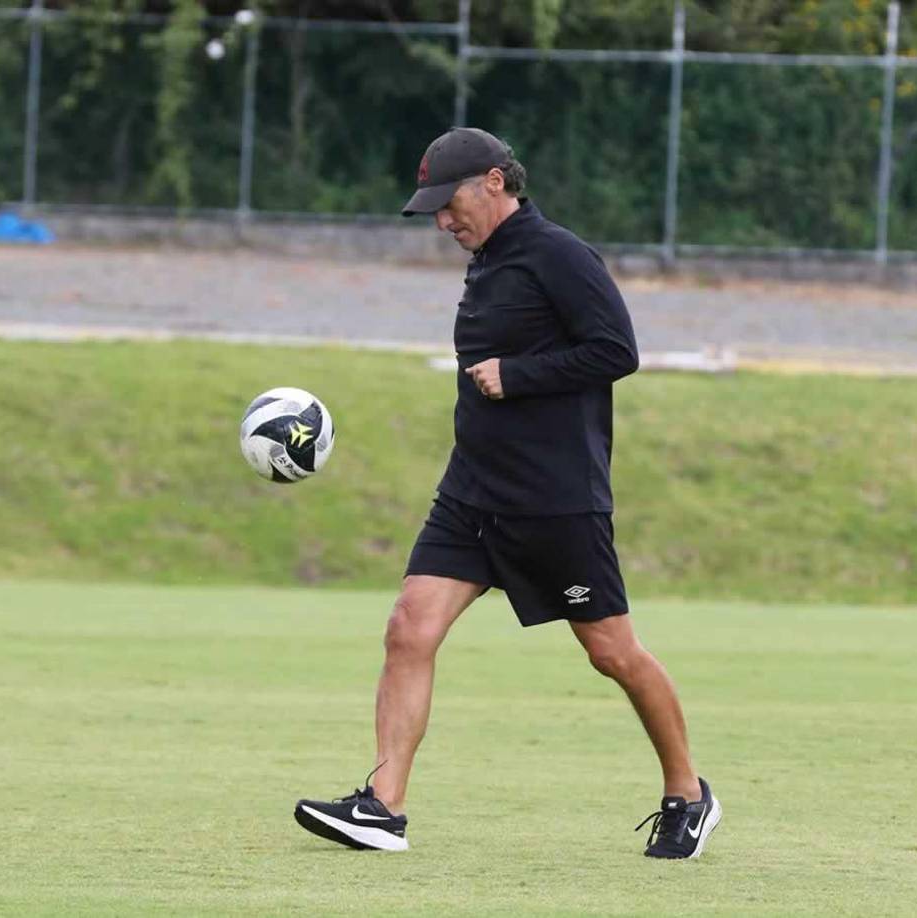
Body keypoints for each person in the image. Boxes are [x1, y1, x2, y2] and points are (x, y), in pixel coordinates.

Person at [294, 128, 720, 860]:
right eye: (432, 210)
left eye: (449, 203)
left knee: (613, 654)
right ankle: (383, 807)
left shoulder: (558, 254)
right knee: (409, 627)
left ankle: (689, 793)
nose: (442, 221)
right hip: (472, 492)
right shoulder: (487, 261)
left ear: (495, 182)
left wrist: (518, 375)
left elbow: (617, 350)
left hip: (555, 499)